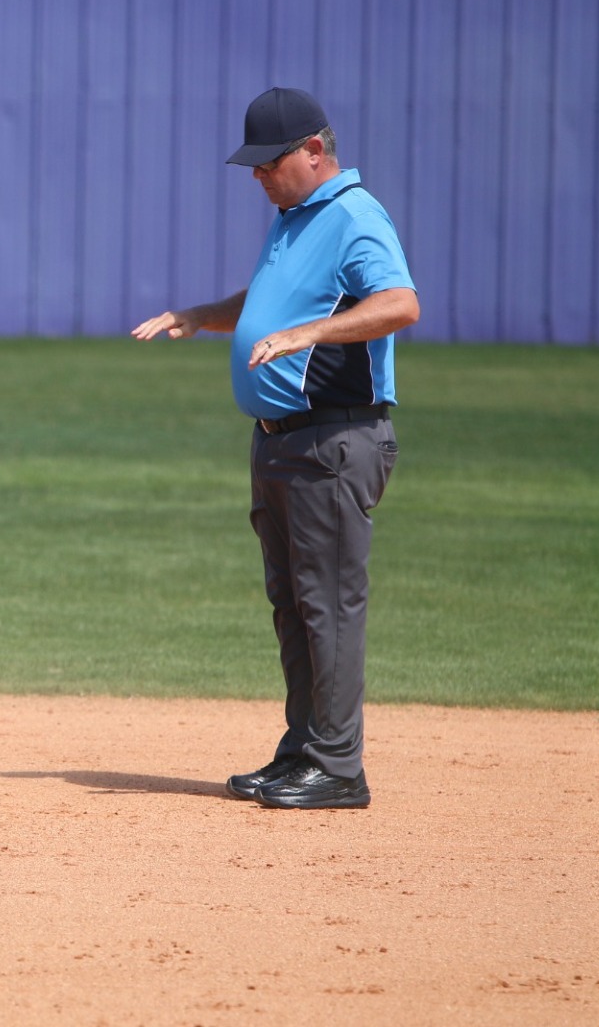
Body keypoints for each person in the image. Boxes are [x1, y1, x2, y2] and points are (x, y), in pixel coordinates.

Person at [132, 87, 418, 810]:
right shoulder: (296, 217)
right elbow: (268, 302)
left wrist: (309, 335)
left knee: (328, 605)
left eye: (270, 162)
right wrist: (201, 315)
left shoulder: (354, 215)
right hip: (282, 444)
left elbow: (399, 302)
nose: (258, 176)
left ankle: (339, 767)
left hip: (333, 440)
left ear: (315, 151)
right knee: (292, 604)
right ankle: (303, 752)